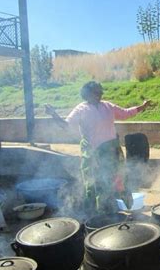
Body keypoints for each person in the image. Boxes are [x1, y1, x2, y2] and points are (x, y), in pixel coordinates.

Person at [45, 81, 150, 213]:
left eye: (100, 91)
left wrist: (142, 107)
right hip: (93, 152)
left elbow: (125, 113)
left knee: (118, 178)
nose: (100, 93)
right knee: (94, 182)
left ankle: (118, 204)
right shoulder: (81, 109)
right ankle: (94, 213)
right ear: (87, 94)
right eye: (97, 91)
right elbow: (66, 125)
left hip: (112, 150)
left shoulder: (107, 106)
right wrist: (54, 114)